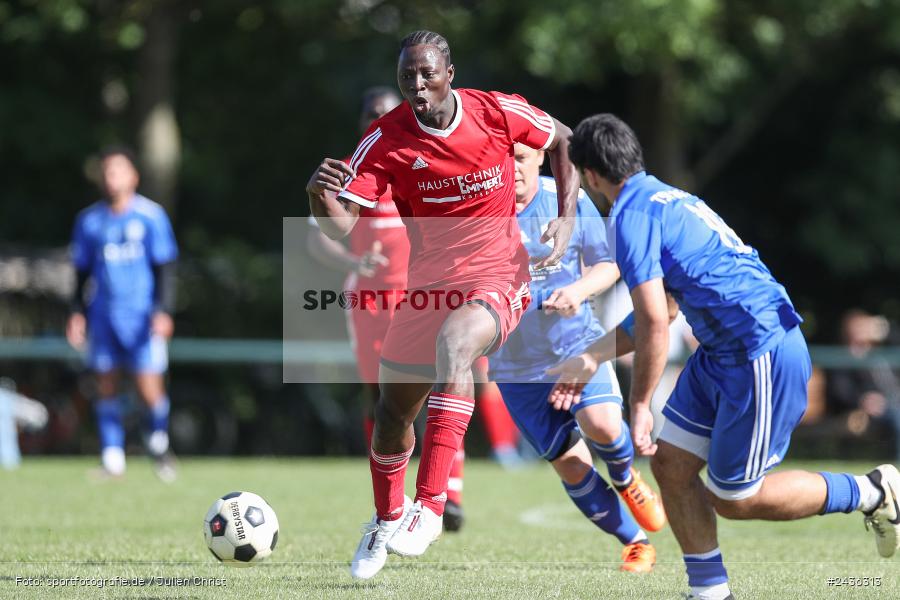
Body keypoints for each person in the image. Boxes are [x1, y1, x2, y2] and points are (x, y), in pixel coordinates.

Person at [550, 114, 900, 600]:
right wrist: (591, 354)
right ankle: (709, 592)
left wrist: (638, 406)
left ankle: (872, 491)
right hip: (723, 353)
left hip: (759, 350)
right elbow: (667, 309)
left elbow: (653, 321)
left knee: (734, 497)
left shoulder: (631, 215)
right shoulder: (667, 198)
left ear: (589, 176)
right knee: (671, 464)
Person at [306, 30, 579, 579]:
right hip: (426, 286)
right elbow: (342, 229)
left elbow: (566, 139)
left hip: (499, 272)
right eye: (408, 76)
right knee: (390, 416)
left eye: (428, 73)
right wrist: (317, 195)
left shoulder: (496, 111)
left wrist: (568, 216)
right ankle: (385, 519)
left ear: (449, 73)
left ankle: (431, 504)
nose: (418, 85)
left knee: (457, 347)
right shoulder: (385, 140)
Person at [489, 143, 665, 573]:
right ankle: (635, 542)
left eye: (519, 159)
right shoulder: (479, 211)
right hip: (515, 367)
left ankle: (625, 476)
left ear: (539, 160)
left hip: (576, 344)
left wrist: (578, 292)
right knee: (570, 464)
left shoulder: (565, 198)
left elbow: (608, 264)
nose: (510, 169)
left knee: (603, 424)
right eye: (501, 160)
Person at [67, 146, 179, 482]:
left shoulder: (151, 216)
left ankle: (159, 447)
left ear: (133, 176)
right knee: (106, 385)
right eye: (106, 171)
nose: (110, 177)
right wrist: (76, 313)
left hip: (141, 318)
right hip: (103, 316)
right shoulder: (89, 221)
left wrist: (163, 311)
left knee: (149, 388)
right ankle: (112, 459)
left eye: (117, 170)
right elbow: (81, 274)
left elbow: (165, 268)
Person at [827, 309, 900, 458]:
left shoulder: (879, 352)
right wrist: (862, 399)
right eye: (859, 327)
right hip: (873, 409)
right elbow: (839, 390)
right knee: (896, 416)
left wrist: (885, 328)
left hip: (893, 401)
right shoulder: (843, 357)